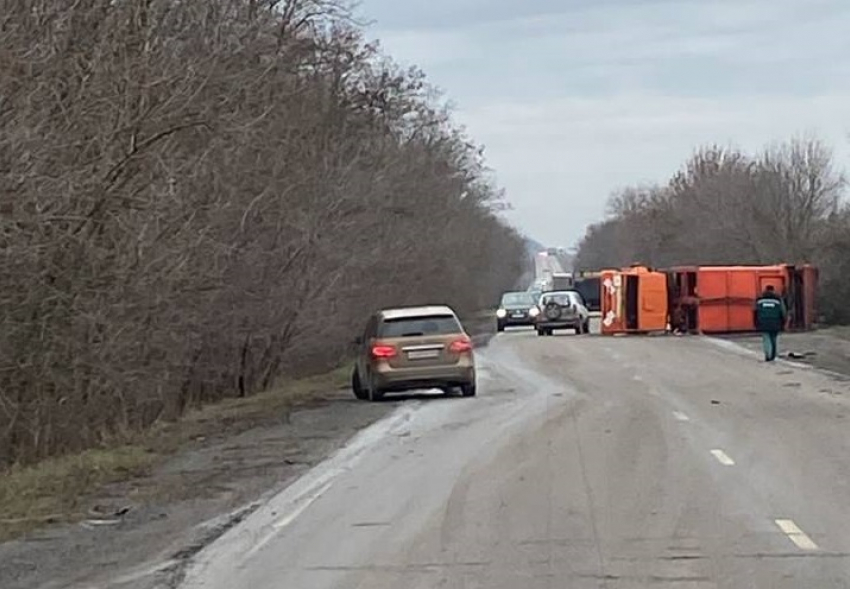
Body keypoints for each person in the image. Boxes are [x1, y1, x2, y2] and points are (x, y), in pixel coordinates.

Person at [754, 285, 787, 362]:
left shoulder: (759, 299)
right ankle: (773, 355)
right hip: (776, 322)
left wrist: (756, 323)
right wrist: (783, 322)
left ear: (765, 290)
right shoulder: (778, 299)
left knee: (766, 339)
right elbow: (783, 312)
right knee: (774, 338)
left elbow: (755, 311)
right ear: (773, 290)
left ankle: (768, 355)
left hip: (763, 322)